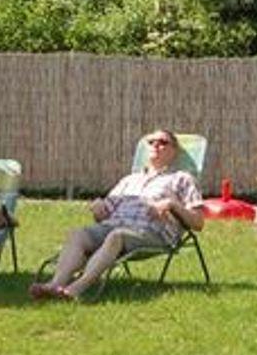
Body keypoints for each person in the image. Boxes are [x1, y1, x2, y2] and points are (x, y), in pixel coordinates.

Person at [32, 129, 204, 301]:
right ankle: (54, 284)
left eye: (163, 142)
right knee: (78, 234)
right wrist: (99, 207)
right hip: (113, 226)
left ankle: (75, 289)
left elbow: (198, 223)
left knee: (117, 236)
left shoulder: (182, 179)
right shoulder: (129, 180)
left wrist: (172, 204)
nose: (156, 145)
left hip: (151, 232)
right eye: (151, 142)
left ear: (174, 151)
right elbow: (103, 216)